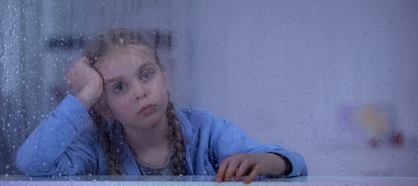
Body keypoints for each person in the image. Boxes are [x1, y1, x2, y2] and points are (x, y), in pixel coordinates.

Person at [16, 28, 307, 183]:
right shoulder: (96, 145)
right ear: (104, 107)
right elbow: (32, 163)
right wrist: (88, 92)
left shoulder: (204, 129)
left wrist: (265, 162)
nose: (140, 92)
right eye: (119, 87)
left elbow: (295, 162)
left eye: (146, 75)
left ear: (164, 79)